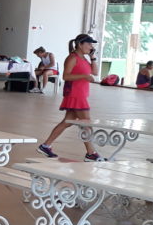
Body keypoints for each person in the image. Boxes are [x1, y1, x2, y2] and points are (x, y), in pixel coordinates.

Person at [37, 33, 103, 161]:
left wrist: (93, 57)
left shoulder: (84, 59)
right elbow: (66, 76)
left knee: (67, 122)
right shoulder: (72, 58)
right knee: (86, 123)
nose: (91, 47)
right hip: (75, 94)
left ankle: (45, 146)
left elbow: (94, 72)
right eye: (89, 44)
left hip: (81, 94)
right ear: (80, 44)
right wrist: (84, 76)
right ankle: (91, 153)